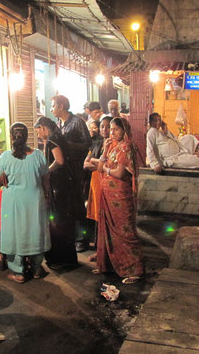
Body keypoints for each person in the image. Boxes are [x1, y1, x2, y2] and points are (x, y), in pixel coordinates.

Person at [0, 123, 51, 283]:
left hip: (13, 203)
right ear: (26, 137)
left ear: (11, 137)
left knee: (15, 233)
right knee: (35, 231)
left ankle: (19, 272)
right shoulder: (38, 155)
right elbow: (46, 178)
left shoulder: (5, 157)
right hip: (35, 200)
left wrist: (4, 174)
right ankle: (37, 269)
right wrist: (46, 196)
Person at [95, 117, 144, 284]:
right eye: (111, 129)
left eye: (116, 129)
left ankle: (134, 270)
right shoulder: (113, 147)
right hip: (108, 194)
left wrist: (108, 169)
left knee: (125, 231)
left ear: (124, 130)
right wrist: (105, 149)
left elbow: (119, 174)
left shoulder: (126, 147)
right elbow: (100, 167)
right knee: (107, 229)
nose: (112, 132)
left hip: (120, 196)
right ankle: (107, 265)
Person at [34, 116, 78, 269]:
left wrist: (46, 171)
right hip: (63, 185)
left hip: (60, 187)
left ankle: (61, 259)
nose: (38, 134)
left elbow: (59, 161)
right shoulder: (56, 136)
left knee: (58, 222)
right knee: (61, 222)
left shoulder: (53, 138)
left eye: (38, 130)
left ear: (44, 127)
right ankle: (64, 258)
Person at [51, 95, 92, 252]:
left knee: (78, 204)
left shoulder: (77, 122)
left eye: (53, 105)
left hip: (75, 170)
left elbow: (87, 143)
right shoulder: (57, 124)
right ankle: (70, 237)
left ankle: (82, 239)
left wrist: (68, 145)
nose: (52, 109)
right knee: (66, 204)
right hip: (63, 171)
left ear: (62, 106)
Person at [83, 116, 112, 262]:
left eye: (108, 127)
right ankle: (98, 250)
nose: (105, 130)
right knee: (97, 219)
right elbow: (85, 164)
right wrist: (98, 163)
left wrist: (97, 163)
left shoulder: (114, 146)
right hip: (95, 184)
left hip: (108, 185)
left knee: (107, 219)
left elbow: (108, 166)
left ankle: (108, 252)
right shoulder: (95, 144)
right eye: (102, 127)